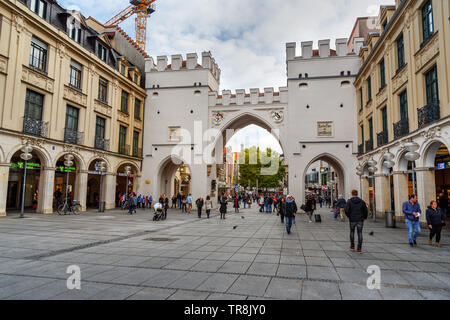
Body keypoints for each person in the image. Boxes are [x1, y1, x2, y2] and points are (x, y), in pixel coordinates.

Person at [344, 189, 368, 254]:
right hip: (360, 219)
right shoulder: (362, 201)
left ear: (352, 194)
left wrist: (349, 216)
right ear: (357, 194)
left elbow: (346, 210)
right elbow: (365, 210)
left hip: (352, 219)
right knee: (360, 233)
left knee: (352, 232)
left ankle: (352, 246)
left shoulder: (349, 201)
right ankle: (359, 249)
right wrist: (364, 217)